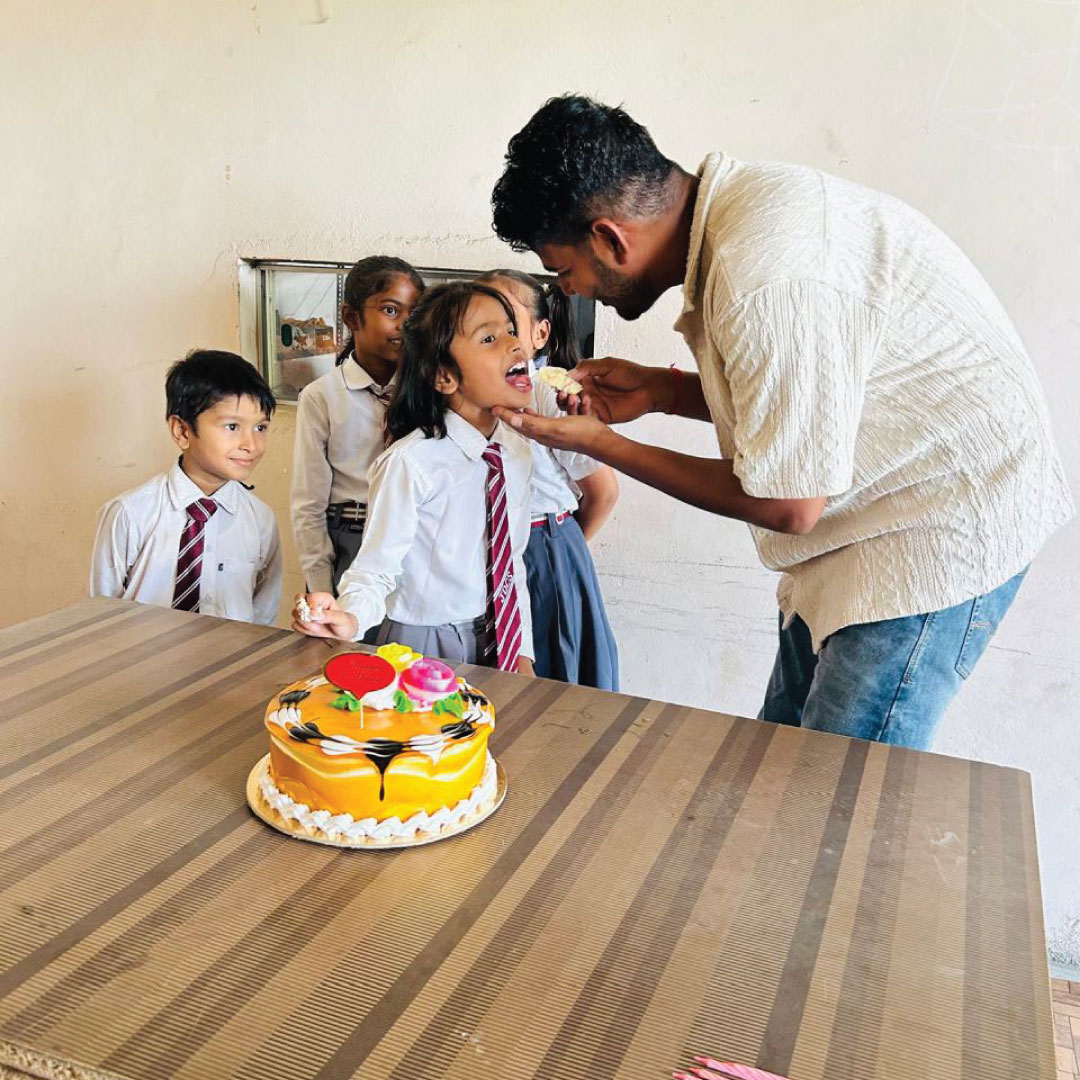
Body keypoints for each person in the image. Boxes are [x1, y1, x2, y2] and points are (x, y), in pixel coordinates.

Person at [489, 94, 1072, 749]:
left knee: (834, 785)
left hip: (930, 534)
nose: (568, 290)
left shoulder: (763, 273)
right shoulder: (744, 217)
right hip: (858, 524)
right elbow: (811, 404)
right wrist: (664, 391)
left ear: (608, 238)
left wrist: (605, 445)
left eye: (563, 270)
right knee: (779, 760)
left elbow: (789, 502)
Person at [292, 282, 536, 675]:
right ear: (445, 376)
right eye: (489, 338)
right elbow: (376, 568)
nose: (514, 344)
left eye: (510, 331)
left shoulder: (516, 452)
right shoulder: (411, 463)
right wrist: (350, 617)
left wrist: (521, 648)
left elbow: (512, 562)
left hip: (496, 635)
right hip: (421, 643)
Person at [477, 269, 620, 690]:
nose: (496, 336)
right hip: (485, 550)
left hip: (545, 548)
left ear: (540, 334)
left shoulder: (549, 393)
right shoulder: (464, 396)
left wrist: (558, 550)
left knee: (553, 678)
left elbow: (603, 492)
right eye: (482, 324)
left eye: (509, 324)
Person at [90, 349, 283, 625]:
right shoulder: (130, 514)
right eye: (232, 427)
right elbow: (101, 614)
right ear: (182, 431)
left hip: (233, 652)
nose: (250, 444)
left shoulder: (260, 520)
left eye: (260, 428)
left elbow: (263, 616)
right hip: (145, 652)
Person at [290, 256, 424, 607]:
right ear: (351, 318)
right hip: (350, 539)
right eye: (391, 310)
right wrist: (320, 584)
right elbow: (308, 503)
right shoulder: (322, 397)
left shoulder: (428, 393)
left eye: (414, 313)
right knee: (352, 637)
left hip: (414, 538)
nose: (405, 324)